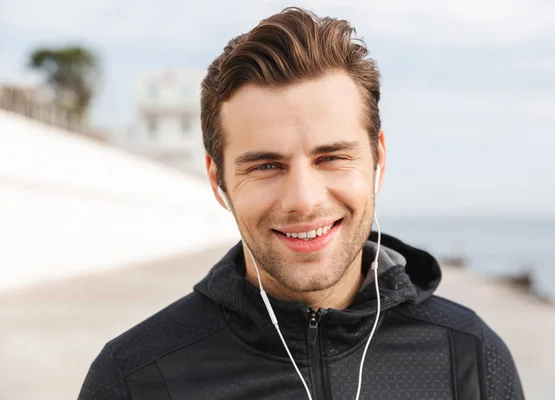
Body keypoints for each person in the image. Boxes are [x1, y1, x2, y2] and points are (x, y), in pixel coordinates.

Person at [78, 7, 523, 400]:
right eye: (267, 166)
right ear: (219, 182)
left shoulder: (471, 359)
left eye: (330, 157)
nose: (303, 200)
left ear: (378, 161)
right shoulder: (135, 379)